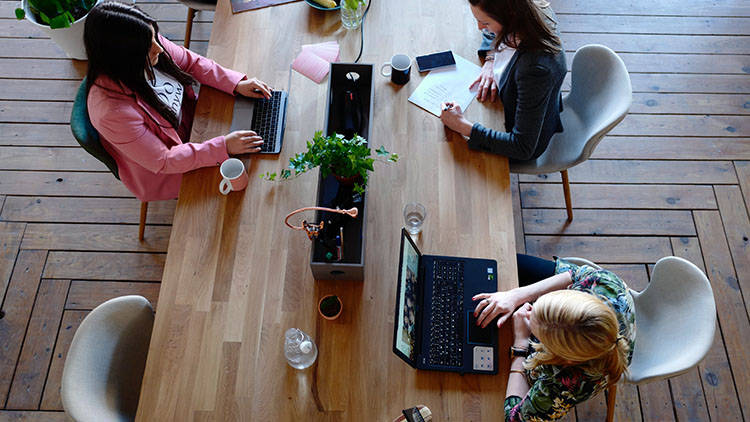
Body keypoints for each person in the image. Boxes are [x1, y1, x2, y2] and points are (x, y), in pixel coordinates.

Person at [84, 2, 273, 201]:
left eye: (155, 37)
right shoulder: (111, 113)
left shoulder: (145, 42)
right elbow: (164, 160)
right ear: (123, 58)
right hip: (169, 168)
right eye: (149, 46)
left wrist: (235, 83)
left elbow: (192, 63)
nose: (159, 48)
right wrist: (223, 146)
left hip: (196, 125)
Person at [472, 255, 635, 421]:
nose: (528, 312)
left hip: (575, 370)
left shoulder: (563, 386)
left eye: (536, 332)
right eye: (538, 305)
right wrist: (516, 296)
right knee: (505, 263)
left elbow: (514, 419)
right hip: (594, 339)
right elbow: (573, 274)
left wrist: (520, 343)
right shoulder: (605, 283)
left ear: (559, 355)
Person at [439, 0, 566, 161]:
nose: (479, 27)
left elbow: (522, 147)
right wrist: (491, 58)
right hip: (516, 105)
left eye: (485, 23)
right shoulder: (527, 11)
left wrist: (462, 126)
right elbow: (491, 32)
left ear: (509, 16)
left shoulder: (535, 70)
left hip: (518, 139)